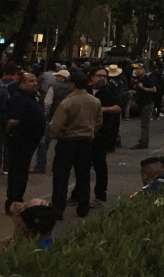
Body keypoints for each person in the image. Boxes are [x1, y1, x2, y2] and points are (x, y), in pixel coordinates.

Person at [49, 69, 101, 220]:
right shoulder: (95, 101)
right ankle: (83, 207)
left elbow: (56, 126)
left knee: (61, 176)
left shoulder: (67, 102)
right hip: (86, 141)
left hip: (67, 141)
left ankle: (58, 209)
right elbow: (98, 122)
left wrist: (58, 134)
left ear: (72, 84)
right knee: (83, 175)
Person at [4, 73, 46, 214]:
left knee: (21, 172)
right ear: (22, 84)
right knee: (18, 173)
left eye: (35, 80)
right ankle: (13, 202)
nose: (35, 83)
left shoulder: (30, 97)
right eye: (31, 81)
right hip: (20, 142)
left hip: (28, 142)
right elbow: (13, 120)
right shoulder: (19, 98)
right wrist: (9, 132)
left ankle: (17, 200)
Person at [89, 66, 121, 207]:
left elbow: (118, 107)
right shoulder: (86, 90)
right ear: (92, 77)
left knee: (100, 165)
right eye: (99, 76)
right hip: (85, 133)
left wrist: (102, 109)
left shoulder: (110, 91)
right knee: (82, 165)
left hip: (102, 134)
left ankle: (100, 195)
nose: (102, 78)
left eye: (104, 76)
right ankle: (78, 193)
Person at [34, 69, 71, 174]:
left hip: (53, 117)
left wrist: (47, 114)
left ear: (62, 77)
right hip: (67, 119)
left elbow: (48, 103)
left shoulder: (54, 87)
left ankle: (40, 165)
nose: (56, 78)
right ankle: (62, 165)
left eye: (58, 76)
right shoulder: (72, 88)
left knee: (43, 142)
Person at [0, 66, 20, 176]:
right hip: (10, 116)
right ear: (15, 74)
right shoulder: (17, 85)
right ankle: (7, 167)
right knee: (8, 142)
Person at [131, 63, 157, 150]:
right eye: (137, 69)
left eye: (140, 69)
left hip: (147, 104)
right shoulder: (139, 79)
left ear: (144, 70)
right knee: (143, 123)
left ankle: (144, 142)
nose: (138, 71)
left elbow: (154, 89)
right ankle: (143, 140)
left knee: (145, 124)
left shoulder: (147, 79)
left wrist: (143, 88)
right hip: (142, 104)